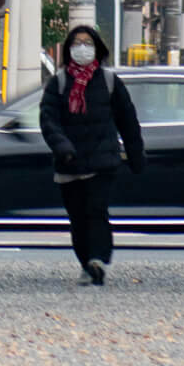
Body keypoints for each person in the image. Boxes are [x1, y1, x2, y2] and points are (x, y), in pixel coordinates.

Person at [39, 23, 144, 284]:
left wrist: (135, 155)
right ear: (68, 49)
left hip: (102, 161)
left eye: (87, 43)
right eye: (77, 43)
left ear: (97, 47)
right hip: (69, 162)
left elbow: (127, 120)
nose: (82, 48)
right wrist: (62, 146)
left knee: (96, 211)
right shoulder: (59, 82)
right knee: (77, 216)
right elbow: (48, 119)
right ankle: (86, 262)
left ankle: (98, 259)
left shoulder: (109, 81)